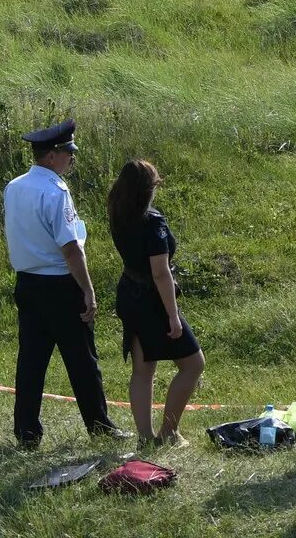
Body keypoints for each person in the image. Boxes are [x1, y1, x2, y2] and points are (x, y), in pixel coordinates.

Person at [3, 119, 125, 447]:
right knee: (82, 360)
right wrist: (87, 289)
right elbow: (71, 248)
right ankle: (100, 426)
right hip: (59, 284)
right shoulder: (56, 190)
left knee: (30, 361)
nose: (72, 157)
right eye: (67, 152)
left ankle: (27, 432)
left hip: (27, 283)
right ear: (52, 156)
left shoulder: (14, 186)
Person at [107, 160, 204, 447]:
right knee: (193, 365)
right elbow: (160, 272)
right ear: (149, 190)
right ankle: (169, 432)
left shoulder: (118, 212)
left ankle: (145, 437)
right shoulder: (153, 222)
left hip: (129, 292)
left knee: (142, 369)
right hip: (152, 298)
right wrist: (173, 316)